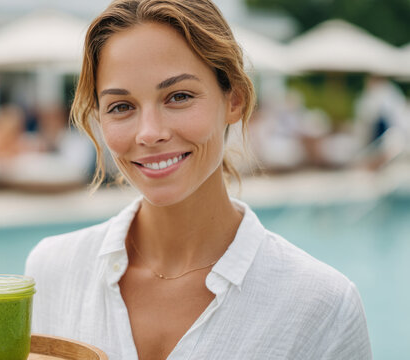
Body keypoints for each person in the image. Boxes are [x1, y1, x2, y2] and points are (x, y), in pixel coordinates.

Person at [25, 1, 372, 359]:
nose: (149, 133)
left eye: (179, 97)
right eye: (122, 106)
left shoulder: (323, 307)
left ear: (234, 99)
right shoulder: (52, 270)